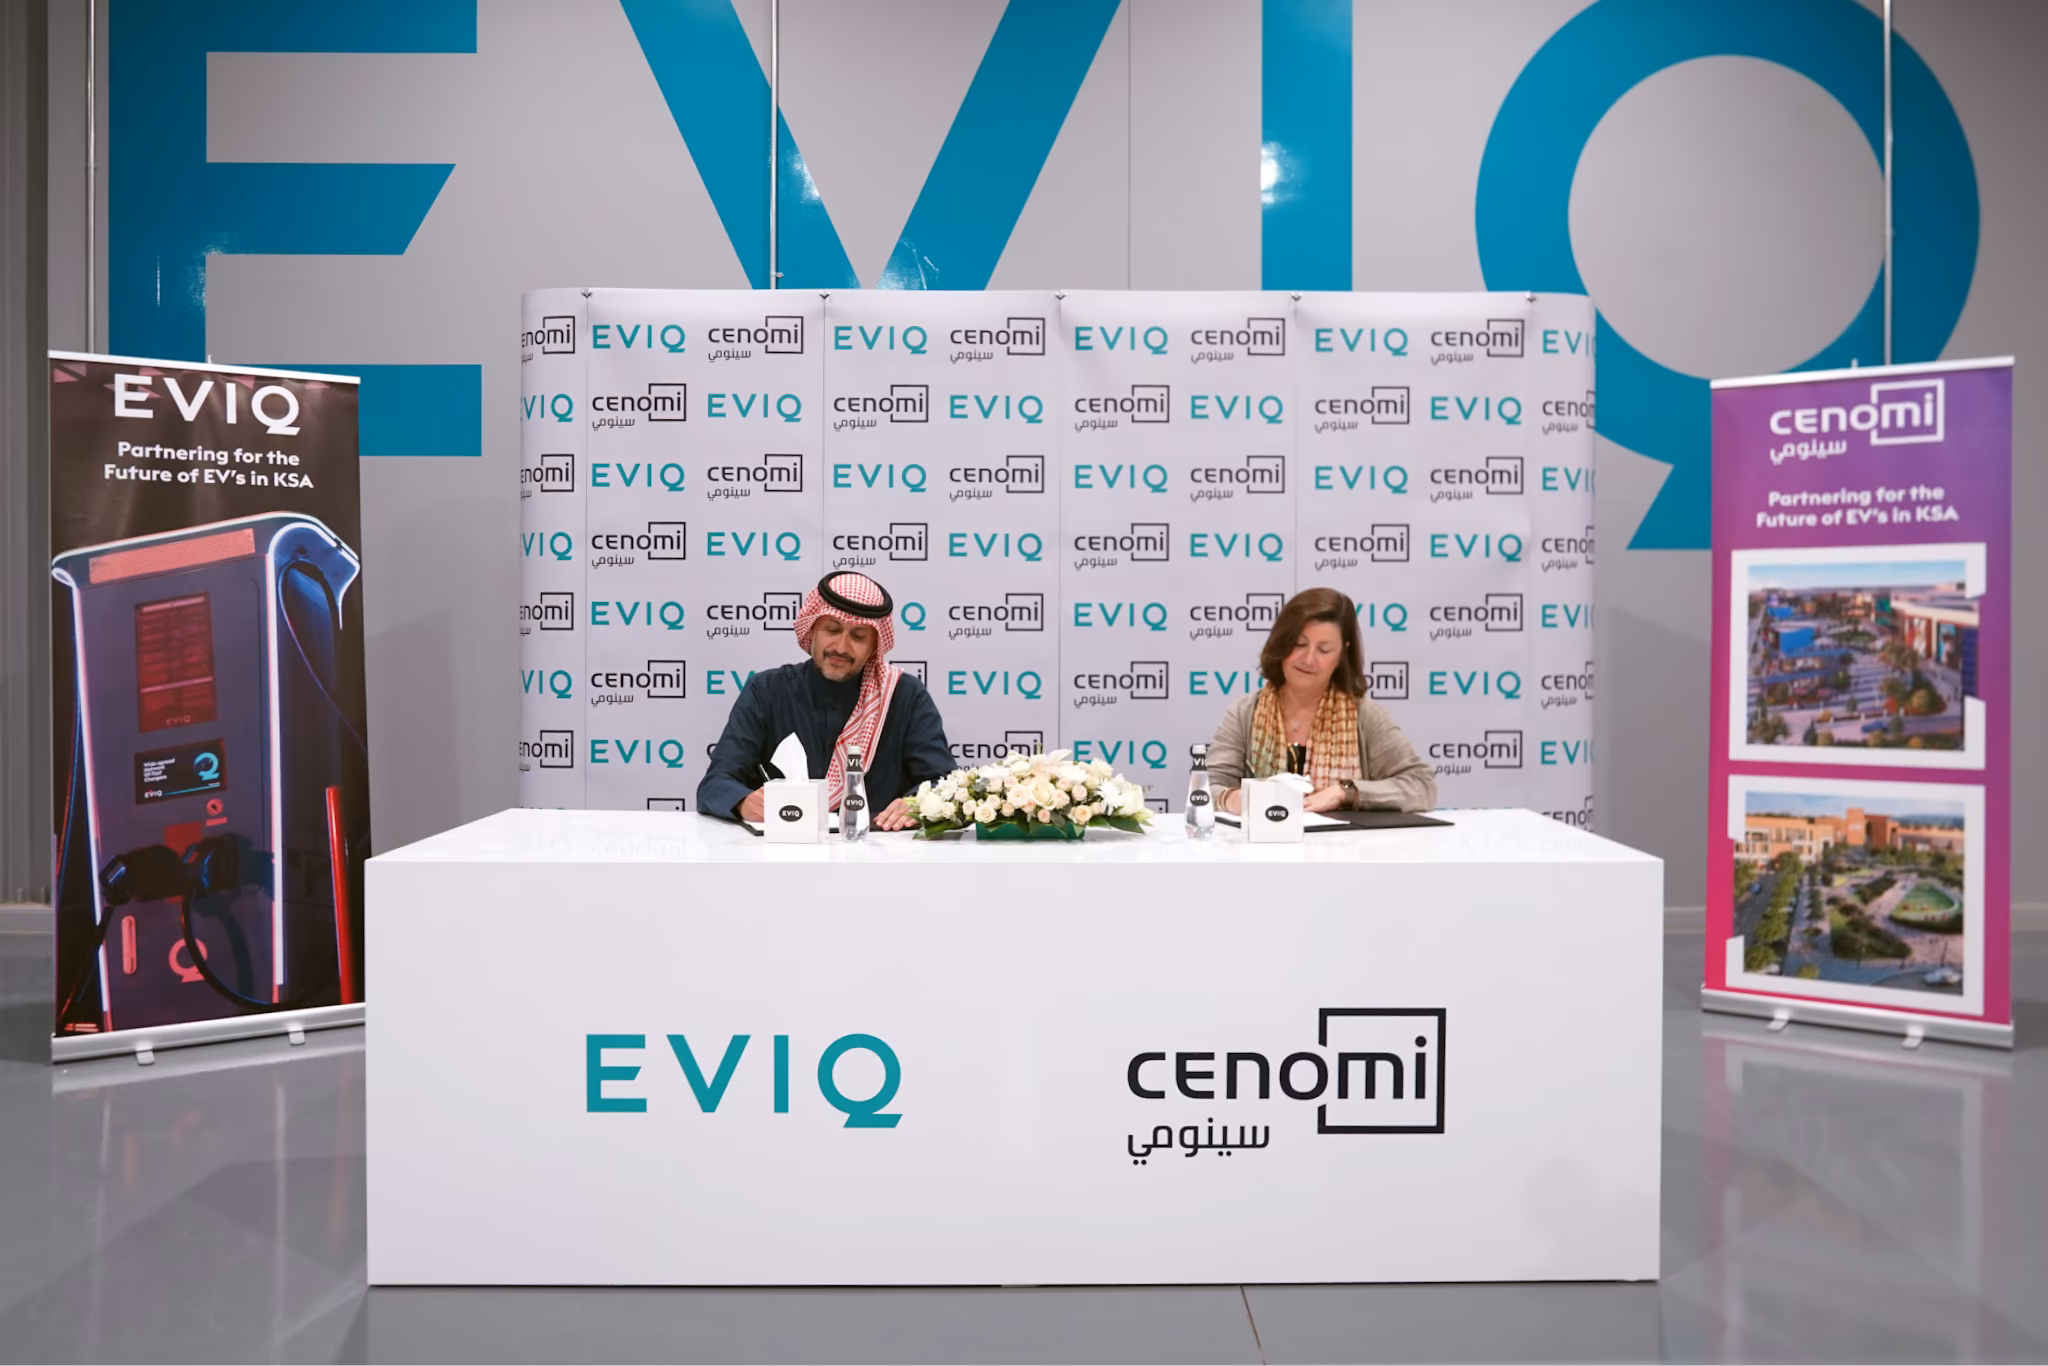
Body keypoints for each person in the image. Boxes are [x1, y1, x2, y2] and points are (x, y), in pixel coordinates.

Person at [697, 572, 953, 830]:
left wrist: (918, 803)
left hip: (878, 847)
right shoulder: (766, 691)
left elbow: (944, 783)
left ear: (874, 645)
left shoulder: (904, 695)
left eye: (858, 636)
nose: (841, 647)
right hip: (784, 846)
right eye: (832, 630)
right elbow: (716, 784)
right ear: (812, 629)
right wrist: (743, 802)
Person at [1207, 587, 1436, 815]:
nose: (1308, 659)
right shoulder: (1245, 712)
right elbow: (1207, 789)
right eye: (1299, 644)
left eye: (1324, 650)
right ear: (1281, 642)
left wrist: (1345, 793)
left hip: (1345, 839)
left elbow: (1421, 787)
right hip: (1263, 838)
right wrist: (1232, 798)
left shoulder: (1364, 715)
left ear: (1342, 654)